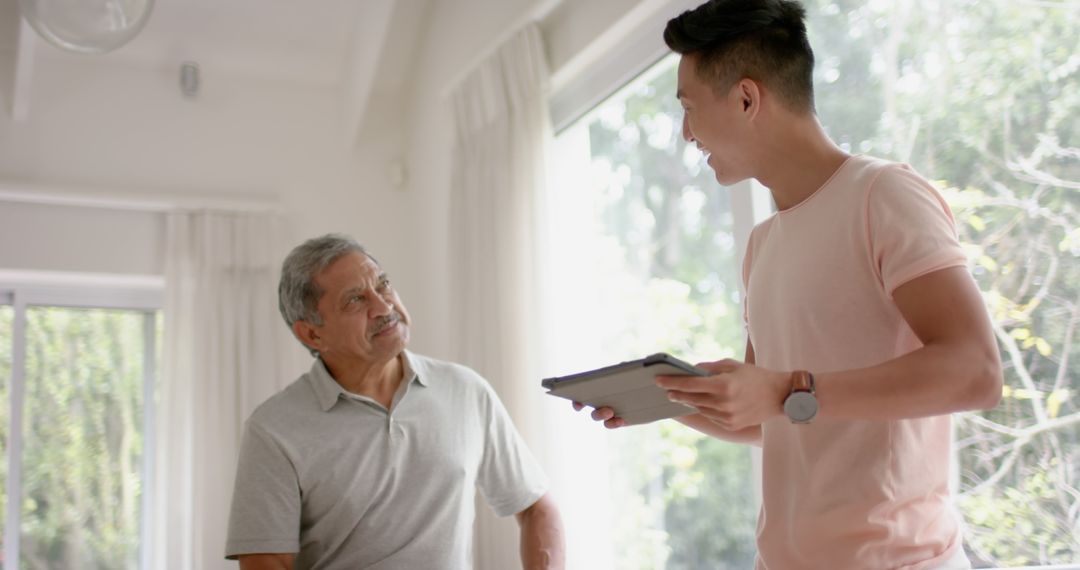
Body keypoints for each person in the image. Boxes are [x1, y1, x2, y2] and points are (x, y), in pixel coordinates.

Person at [579, 1, 1004, 569]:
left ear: (747, 98)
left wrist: (786, 389)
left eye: (688, 108)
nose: (685, 133)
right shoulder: (761, 245)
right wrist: (668, 398)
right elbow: (779, 418)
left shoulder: (885, 196)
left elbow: (976, 371)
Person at [225, 233, 565, 570]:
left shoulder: (466, 389)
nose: (384, 306)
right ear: (313, 333)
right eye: (355, 300)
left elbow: (536, 508)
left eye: (383, 284)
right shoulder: (272, 429)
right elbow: (265, 561)